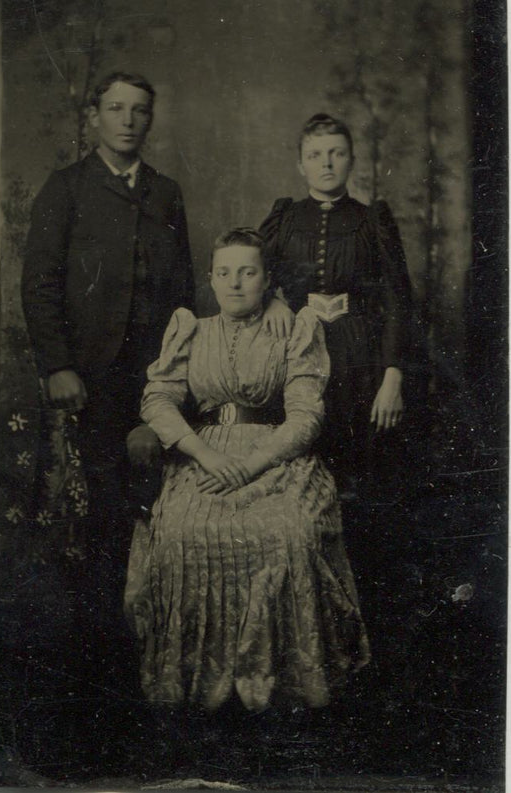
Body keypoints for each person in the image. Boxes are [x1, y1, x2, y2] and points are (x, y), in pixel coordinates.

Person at [124, 228, 370, 716]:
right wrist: (204, 454)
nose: (235, 283)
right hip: (204, 452)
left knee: (290, 532)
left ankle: (286, 689)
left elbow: (306, 415)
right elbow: (159, 397)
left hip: (275, 453)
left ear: (267, 279)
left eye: (248, 272)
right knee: (179, 531)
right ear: (212, 280)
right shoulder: (191, 329)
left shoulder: (294, 329)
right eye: (224, 273)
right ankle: (191, 685)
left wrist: (252, 465)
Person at [21, 71, 196, 627]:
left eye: (139, 110)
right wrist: (58, 365)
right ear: (95, 115)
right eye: (116, 108)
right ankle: (99, 648)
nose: (127, 120)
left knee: (159, 499)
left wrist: (175, 376)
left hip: (155, 377)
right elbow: (40, 283)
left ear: (150, 118)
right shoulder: (66, 187)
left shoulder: (165, 193)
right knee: (101, 508)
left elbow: (184, 295)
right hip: (89, 377)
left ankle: (155, 635)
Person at [259, 114, 412, 500]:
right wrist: (272, 298)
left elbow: (398, 298)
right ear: (301, 164)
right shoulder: (286, 219)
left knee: (359, 472)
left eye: (336, 153)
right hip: (296, 351)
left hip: (361, 354)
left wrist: (392, 376)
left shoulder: (370, 220)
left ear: (350, 160)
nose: (326, 163)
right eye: (315, 154)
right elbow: (247, 274)